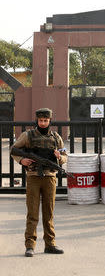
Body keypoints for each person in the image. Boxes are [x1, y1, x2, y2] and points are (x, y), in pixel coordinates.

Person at [10, 108, 67, 257]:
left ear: (50, 121)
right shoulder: (27, 136)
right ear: (37, 120)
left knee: (49, 213)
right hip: (34, 177)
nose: (43, 123)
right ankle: (30, 245)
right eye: (40, 120)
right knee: (32, 213)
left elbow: (64, 154)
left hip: (50, 178)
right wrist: (22, 160)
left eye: (45, 120)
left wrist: (59, 157)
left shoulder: (56, 137)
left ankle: (50, 244)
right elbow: (14, 149)